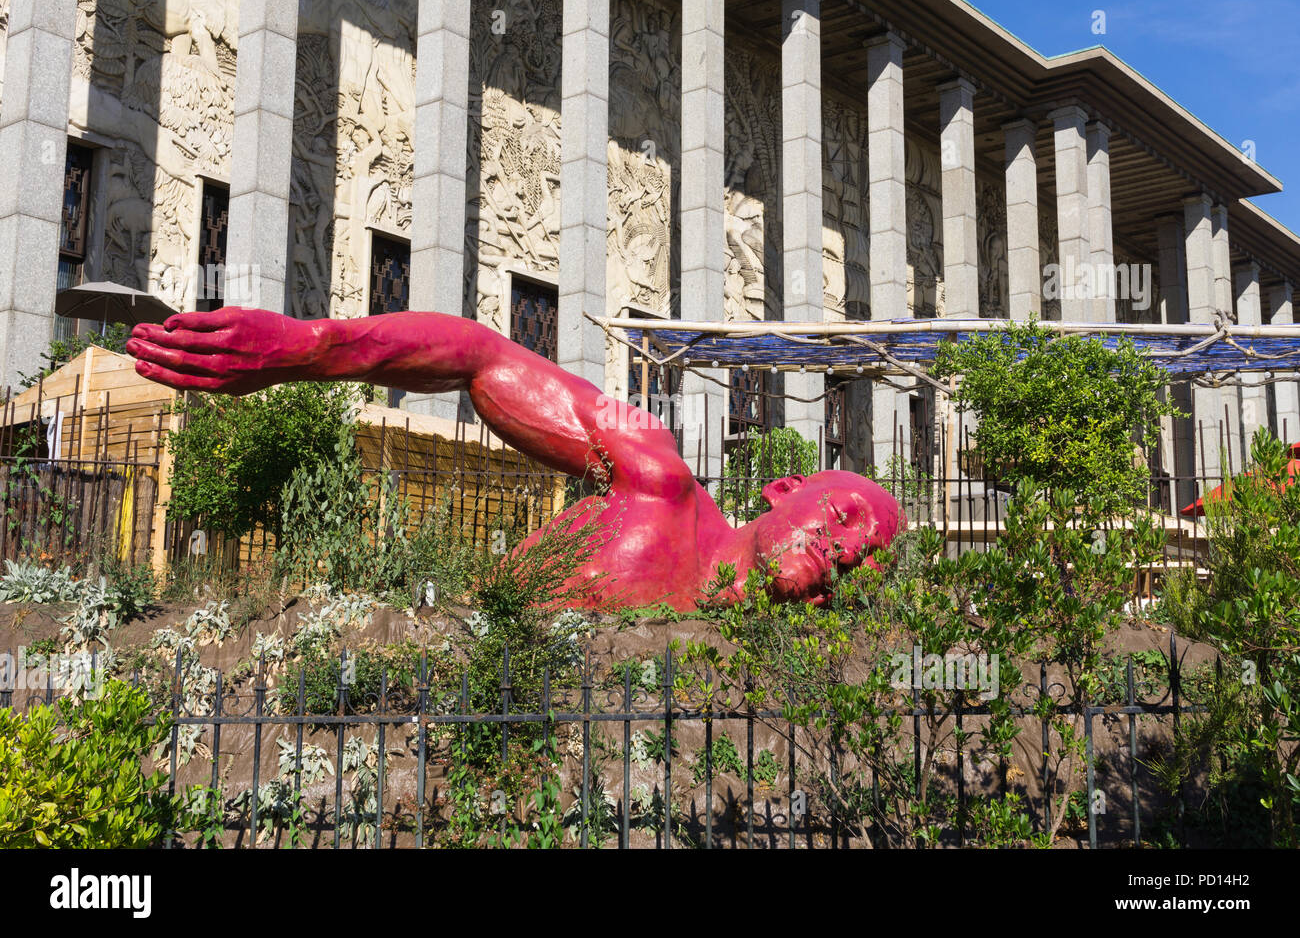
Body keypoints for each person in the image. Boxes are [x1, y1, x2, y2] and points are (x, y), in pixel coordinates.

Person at [127, 308, 905, 611]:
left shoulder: (808, 673)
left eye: (864, 558)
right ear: (784, 489)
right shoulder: (656, 472)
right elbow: (482, 358)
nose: (842, 547)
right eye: (841, 516)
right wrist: (316, 347)